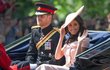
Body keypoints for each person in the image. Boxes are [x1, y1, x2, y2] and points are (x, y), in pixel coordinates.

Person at [36, 6, 90, 70]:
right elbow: (57, 56)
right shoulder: (69, 40)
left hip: (74, 68)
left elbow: (78, 61)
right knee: (41, 67)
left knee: (44, 67)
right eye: (70, 25)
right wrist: (61, 37)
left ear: (79, 25)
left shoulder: (84, 39)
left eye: (75, 24)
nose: (72, 28)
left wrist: (80, 42)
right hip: (65, 67)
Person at [25, 2, 65, 70]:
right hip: (36, 66)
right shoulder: (35, 31)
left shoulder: (57, 34)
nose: (38, 18)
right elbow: (31, 53)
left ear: (49, 17)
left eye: (42, 16)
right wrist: (29, 65)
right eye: (37, 16)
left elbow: (58, 59)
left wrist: (39, 66)